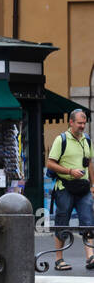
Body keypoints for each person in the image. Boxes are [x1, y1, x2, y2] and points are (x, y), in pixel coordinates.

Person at [46, 109, 94, 271]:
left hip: (84, 188)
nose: (82, 126)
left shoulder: (87, 139)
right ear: (71, 122)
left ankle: (90, 257)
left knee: (88, 222)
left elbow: (89, 163)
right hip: (64, 187)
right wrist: (69, 171)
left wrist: (93, 185)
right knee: (62, 223)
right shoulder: (62, 140)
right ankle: (59, 260)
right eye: (79, 123)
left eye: (84, 123)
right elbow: (50, 163)